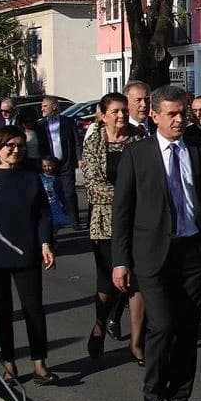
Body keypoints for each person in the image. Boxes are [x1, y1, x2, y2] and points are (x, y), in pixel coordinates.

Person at [113, 85, 201, 401]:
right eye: (171, 114)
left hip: (193, 252)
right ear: (155, 116)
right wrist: (120, 260)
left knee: (188, 331)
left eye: (182, 113)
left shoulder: (199, 151)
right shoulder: (137, 154)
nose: (178, 120)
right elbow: (122, 211)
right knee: (163, 325)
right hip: (153, 254)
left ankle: (179, 400)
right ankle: (155, 392)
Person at [0, 125, 58, 386]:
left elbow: (43, 213)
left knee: (33, 309)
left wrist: (45, 243)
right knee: (1, 311)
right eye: (10, 146)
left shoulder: (30, 177)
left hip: (26, 250)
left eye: (20, 146)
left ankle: (40, 363)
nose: (16, 150)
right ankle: (8, 363)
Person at [81, 92, 146, 364]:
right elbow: (93, 186)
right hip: (105, 223)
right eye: (115, 111)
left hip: (137, 221)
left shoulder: (139, 138)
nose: (121, 116)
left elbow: (147, 176)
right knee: (109, 284)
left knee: (136, 282)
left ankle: (136, 342)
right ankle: (100, 324)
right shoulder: (94, 141)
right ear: (103, 115)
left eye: (124, 111)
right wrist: (126, 196)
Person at [36, 96, 83, 230]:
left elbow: (77, 141)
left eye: (45, 106)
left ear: (54, 106)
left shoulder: (68, 122)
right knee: (52, 194)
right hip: (50, 165)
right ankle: (55, 221)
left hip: (66, 163)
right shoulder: (41, 125)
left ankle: (74, 221)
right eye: (42, 106)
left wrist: (80, 158)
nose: (42, 109)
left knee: (69, 192)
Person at [40, 157, 72, 230]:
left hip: (55, 206)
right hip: (44, 206)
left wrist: (65, 205)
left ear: (53, 165)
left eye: (49, 166)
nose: (47, 168)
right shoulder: (40, 178)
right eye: (44, 166)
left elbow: (61, 194)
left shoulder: (56, 179)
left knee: (55, 225)